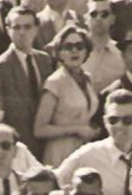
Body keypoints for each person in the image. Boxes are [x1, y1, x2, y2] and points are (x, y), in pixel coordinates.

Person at [0, 5, 54, 156]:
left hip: (47, 144)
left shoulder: (45, 60)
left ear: (36, 29)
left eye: (27, 27)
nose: (22, 32)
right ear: (8, 29)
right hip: (17, 147)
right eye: (16, 27)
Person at [33, 24, 99, 167]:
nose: (74, 51)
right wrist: (76, 129)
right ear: (59, 52)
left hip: (84, 150)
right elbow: (39, 129)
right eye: (68, 47)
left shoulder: (87, 79)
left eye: (79, 46)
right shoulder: (55, 82)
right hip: (60, 152)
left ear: (86, 51)